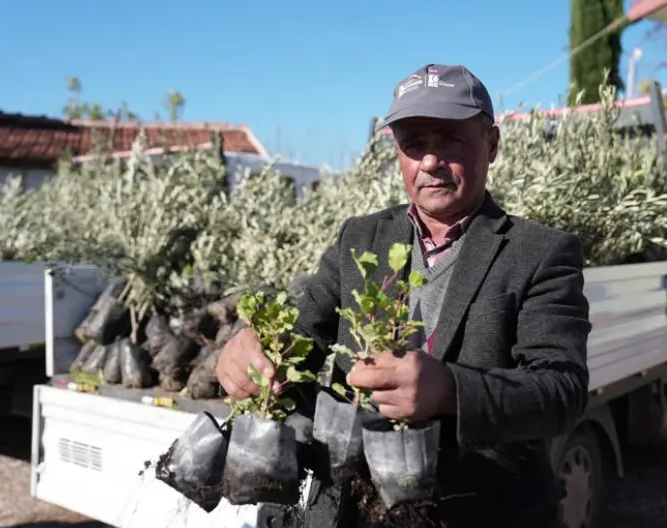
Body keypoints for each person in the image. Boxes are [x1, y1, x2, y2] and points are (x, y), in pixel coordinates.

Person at [216, 64, 592, 528]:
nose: (430, 161)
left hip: (481, 509)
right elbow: (303, 340)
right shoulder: (360, 237)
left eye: (451, 139)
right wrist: (250, 349)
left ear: (491, 144)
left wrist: (452, 391)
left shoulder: (540, 252)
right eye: (414, 143)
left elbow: (562, 391)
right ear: (398, 152)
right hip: (352, 509)